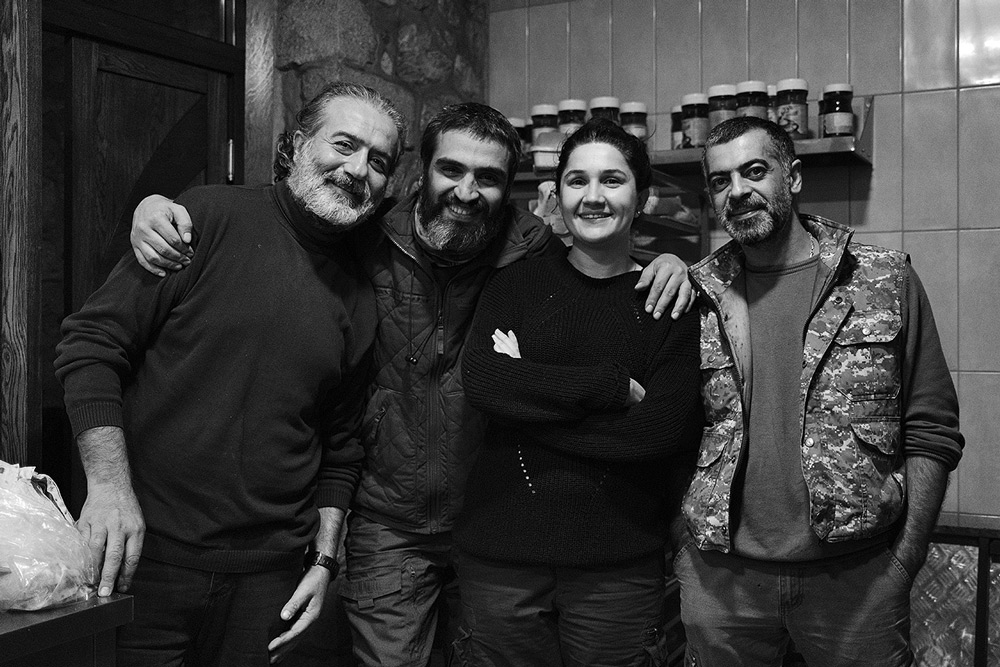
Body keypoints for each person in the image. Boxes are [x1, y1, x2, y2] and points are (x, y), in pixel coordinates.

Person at [129, 102, 695, 667]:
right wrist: (156, 209)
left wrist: (669, 261)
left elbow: (600, 263)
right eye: (451, 170)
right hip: (389, 518)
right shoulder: (365, 234)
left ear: (509, 188)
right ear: (421, 171)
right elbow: (292, 221)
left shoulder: (528, 249)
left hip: (494, 516)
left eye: (488, 177)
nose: (466, 192)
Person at [54, 81, 406, 666]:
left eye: (379, 161)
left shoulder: (360, 295)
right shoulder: (208, 217)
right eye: (344, 144)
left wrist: (324, 559)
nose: (357, 169)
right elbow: (91, 346)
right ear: (296, 145)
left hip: (270, 579)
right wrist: (109, 489)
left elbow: (341, 447)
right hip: (146, 558)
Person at [675, 115, 964, 666]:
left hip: (857, 583)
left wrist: (903, 560)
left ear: (793, 177)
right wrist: (684, 550)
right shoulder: (697, 296)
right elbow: (671, 429)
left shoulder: (882, 281)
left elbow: (932, 428)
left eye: (754, 171)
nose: (738, 191)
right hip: (722, 585)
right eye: (720, 180)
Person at [452, 119, 703, 666]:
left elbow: (659, 432)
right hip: (500, 562)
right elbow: (485, 381)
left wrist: (527, 401)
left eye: (612, 180)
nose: (593, 197)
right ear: (557, 193)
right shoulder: (515, 285)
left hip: (618, 569)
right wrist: (609, 388)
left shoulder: (669, 301)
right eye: (576, 180)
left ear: (643, 196)